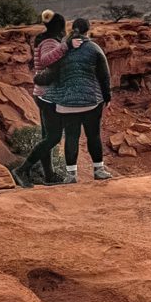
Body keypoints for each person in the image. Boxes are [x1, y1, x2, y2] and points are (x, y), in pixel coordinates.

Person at [41, 17, 113, 183]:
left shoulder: (62, 49)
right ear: (88, 30)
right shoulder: (94, 48)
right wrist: (107, 96)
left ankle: (71, 176)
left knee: (71, 137)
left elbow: (50, 72)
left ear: (71, 29)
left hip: (66, 103)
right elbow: (104, 75)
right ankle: (99, 170)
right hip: (91, 101)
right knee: (93, 136)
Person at [11, 9, 69, 188]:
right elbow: (48, 62)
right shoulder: (51, 42)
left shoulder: (44, 39)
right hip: (48, 95)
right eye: (63, 26)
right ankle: (22, 170)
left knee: (47, 136)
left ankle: (49, 175)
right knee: (53, 137)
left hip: (42, 92)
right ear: (59, 27)